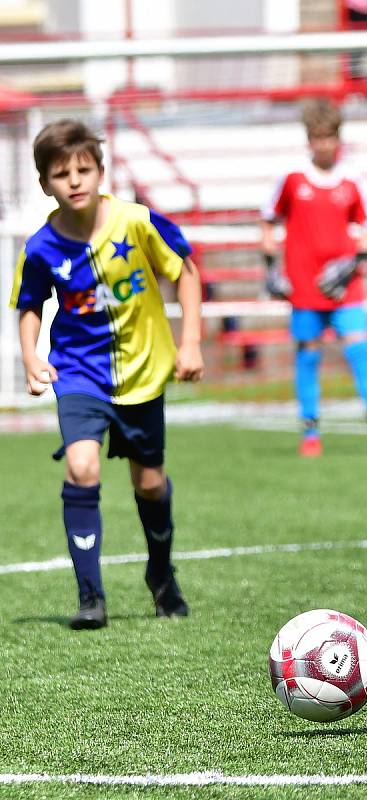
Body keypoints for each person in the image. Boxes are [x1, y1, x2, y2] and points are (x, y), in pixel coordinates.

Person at [10, 119, 204, 630]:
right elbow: (29, 305)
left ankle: (161, 575)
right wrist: (30, 356)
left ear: (100, 171)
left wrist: (190, 343)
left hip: (141, 373)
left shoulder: (137, 222)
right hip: (77, 373)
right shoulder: (41, 247)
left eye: (83, 169)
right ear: (45, 183)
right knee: (82, 467)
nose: (74, 181)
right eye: (61, 174)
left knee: (149, 482)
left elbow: (185, 270)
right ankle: (90, 595)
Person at [260, 99, 367, 457]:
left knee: (360, 349)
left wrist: (352, 260)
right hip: (304, 286)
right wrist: (270, 270)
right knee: (308, 355)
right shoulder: (293, 179)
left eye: (330, 137)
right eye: (318, 137)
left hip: (344, 285)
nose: (324, 144)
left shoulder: (351, 180)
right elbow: (268, 222)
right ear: (309, 140)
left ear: (338, 138)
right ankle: (310, 433)